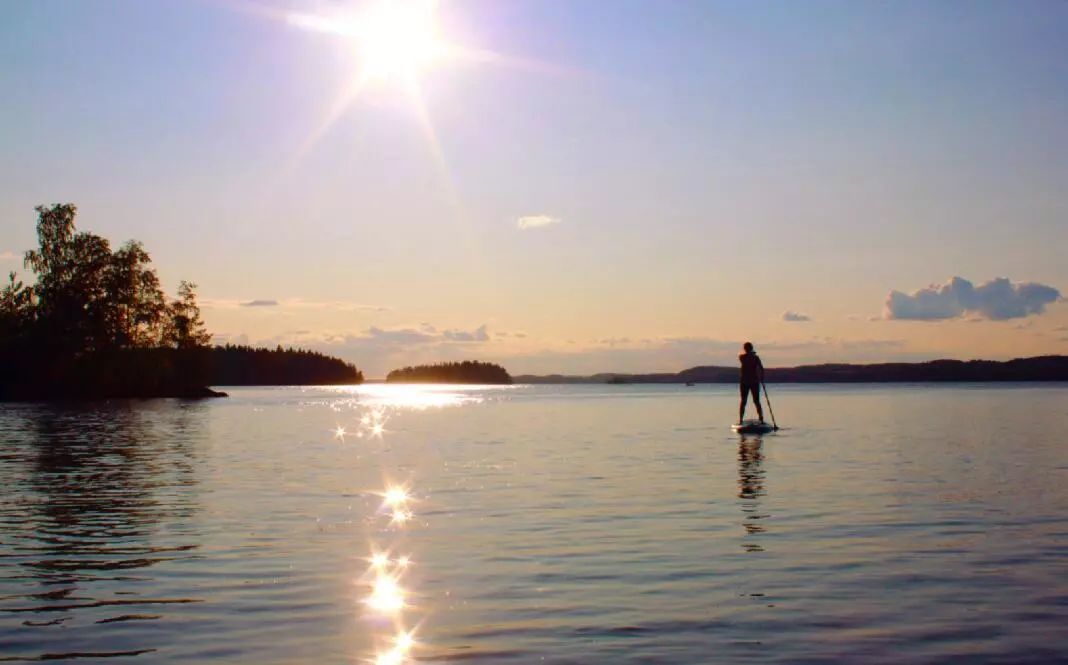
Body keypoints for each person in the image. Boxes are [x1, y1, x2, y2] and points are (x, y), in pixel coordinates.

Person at [738, 341, 765, 425]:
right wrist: (752, 353)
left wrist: (762, 377)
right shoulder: (744, 357)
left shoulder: (752, 357)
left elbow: (761, 368)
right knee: (745, 401)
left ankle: (760, 418)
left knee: (754, 401)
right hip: (746, 382)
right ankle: (741, 419)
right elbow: (761, 368)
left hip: (752, 382)